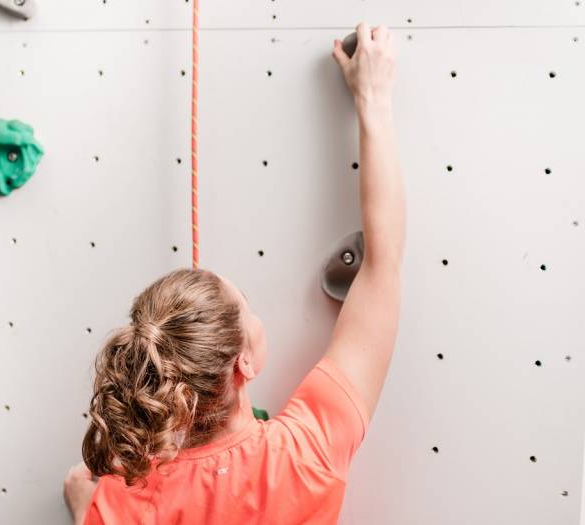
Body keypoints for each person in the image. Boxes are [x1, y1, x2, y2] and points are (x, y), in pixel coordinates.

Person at [64, 20, 404, 525]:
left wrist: (84, 504)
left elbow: (93, 494)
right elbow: (383, 262)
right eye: (247, 306)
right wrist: (373, 100)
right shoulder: (305, 454)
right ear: (245, 360)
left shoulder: (123, 501)